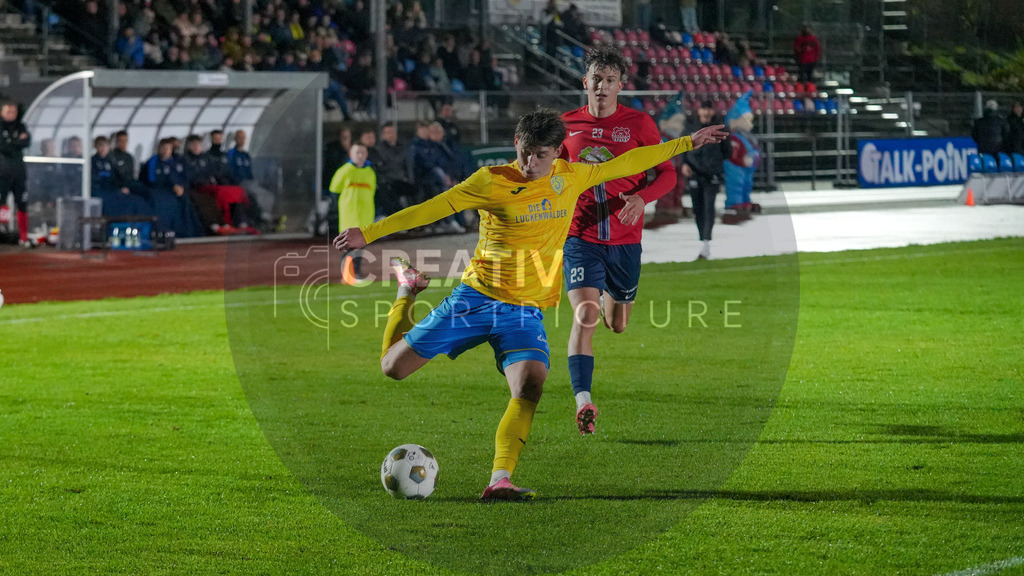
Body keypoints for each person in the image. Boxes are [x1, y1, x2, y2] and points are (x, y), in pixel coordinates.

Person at [332, 109, 727, 500]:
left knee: (530, 385)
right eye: (525, 152)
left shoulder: (572, 176)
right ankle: (407, 290)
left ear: (557, 152)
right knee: (393, 368)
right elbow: (433, 207)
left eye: (541, 155)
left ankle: (500, 479)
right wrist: (369, 232)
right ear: (516, 143)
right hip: (476, 298)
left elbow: (631, 161)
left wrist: (688, 142)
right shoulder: (491, 181)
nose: (530, 164)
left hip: (523, 312)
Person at [559, 45, 678, 435]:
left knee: (618, 324)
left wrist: (642, 199)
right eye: (596, 79)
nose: (602, 86)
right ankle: (584, 402)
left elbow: (667, 174)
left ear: (620, 85)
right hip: (580, 238)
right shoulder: (566, 125)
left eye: (610, 80)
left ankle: (610, 299)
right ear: (585, 82)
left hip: (625, 242)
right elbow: (550, 175)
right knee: (585, 316)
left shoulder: (640, 124)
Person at [682, 101, 729, 259]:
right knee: (697, 208)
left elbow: (727, 150)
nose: (706, 112)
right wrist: (684, 164)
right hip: (694, 173)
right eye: (704, 109)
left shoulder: (719, 129)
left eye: (709, 109)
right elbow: (682, 147)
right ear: (699, 111)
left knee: (709, 207)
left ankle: (706, 242)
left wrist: (714, 164)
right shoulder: (690, 128)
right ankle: (702, 238)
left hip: (712, 174)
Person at [330, 142, 376, 280]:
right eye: (357, 152)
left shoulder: (370, 173)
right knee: (347, 245)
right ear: (351, 154)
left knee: (361, 245)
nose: (360, 155)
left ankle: (356, 272)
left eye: (363, 152)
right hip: (349, 216)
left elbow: (372, 192)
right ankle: (347, 273)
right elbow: (334, 190)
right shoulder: (345, 171)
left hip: (365, 215)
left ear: (366, 154)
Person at [139, 138, 203, 237]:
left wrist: (181, 187)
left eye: (168, 149)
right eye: (163, 148)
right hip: (159, 190)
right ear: (159, 149)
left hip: (176, 190)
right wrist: (172, 186)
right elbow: (152, 180)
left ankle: (190, 232)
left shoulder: (176, 162)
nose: (165, 151)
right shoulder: (153, 161)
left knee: (187, 200)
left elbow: (184, 177)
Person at [227, 129, 278, 230]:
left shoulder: (246, 155)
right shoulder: (231, 154)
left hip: (249, 182)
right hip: (239, 183)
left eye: (243, 138)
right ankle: (262, 217)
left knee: (269, 196)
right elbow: (230, 172)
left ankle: (265, 217)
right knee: (255, 195)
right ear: (235, 139)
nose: (242, 140)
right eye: (239, 137)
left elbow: (250, 172)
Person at [91, 135, 152, 217]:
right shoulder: (92, 161)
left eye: (105, 146)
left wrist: (122, 187)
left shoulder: (111, 161)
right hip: (102, 190)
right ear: (95, 146)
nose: (103, 148)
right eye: (100, 145)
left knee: (136, 198)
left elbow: (117, 177)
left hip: (113, 189)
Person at [0, 100, 31, 247]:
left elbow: (27, 142)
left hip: (19, 173)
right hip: (3, 173)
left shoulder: (21, 126)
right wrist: (17, 140)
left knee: (22, 203)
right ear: (2, 112)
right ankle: (3, 232)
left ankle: (23, 236)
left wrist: (11, 141)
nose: (11, 114)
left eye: (14, 112)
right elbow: (3, 146)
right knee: (2, 203)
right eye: (8, 112)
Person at [373, 123, 413, 216]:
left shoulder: (403, 146)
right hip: (389, 182)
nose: (391, 134)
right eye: (388, 132)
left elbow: (408, 164)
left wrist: (409, 178)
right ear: (383, 135)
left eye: (392, 132)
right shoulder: (379, 149)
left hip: (403, 180)